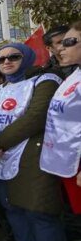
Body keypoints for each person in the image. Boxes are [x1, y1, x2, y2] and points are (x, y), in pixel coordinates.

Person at [0, 42, 64, 241]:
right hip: (0, 159)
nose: (6, 62)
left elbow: (36, 116)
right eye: (1, 59)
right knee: (13, 210)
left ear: (25, 57)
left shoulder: (45, 81)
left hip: (31, 156)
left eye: (13, 57)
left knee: (39, 210)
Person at [40, 22, 81, 215]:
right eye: (60, 43)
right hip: (69, 158)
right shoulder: (74, 75)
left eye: (70, 41)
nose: (62, 48)